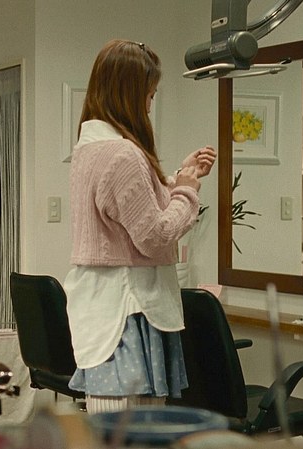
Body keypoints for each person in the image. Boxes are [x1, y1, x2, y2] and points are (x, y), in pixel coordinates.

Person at [65, 39, 216, 414]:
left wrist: (177, 178)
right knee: (134, 432)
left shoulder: (88, 149)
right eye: (149, 96)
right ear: (130, 96)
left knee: (113, 429)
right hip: (129, 311)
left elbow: (131, 205)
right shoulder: (124, 154)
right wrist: (187, 192)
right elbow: (155, 236)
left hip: (105, 308)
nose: (149, 106)